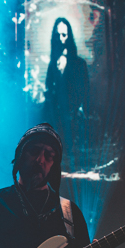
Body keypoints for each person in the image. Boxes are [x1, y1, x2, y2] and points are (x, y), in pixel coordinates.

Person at [44, 18, 90, 165]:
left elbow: (84, 91)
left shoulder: (80, 64)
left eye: (64, 35)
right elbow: (49, 88)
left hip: (74, 115)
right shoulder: (52, 65)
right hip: (57, 116)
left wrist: (79, 109)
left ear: (69, 36)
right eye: (58, 35)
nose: (61, 39)